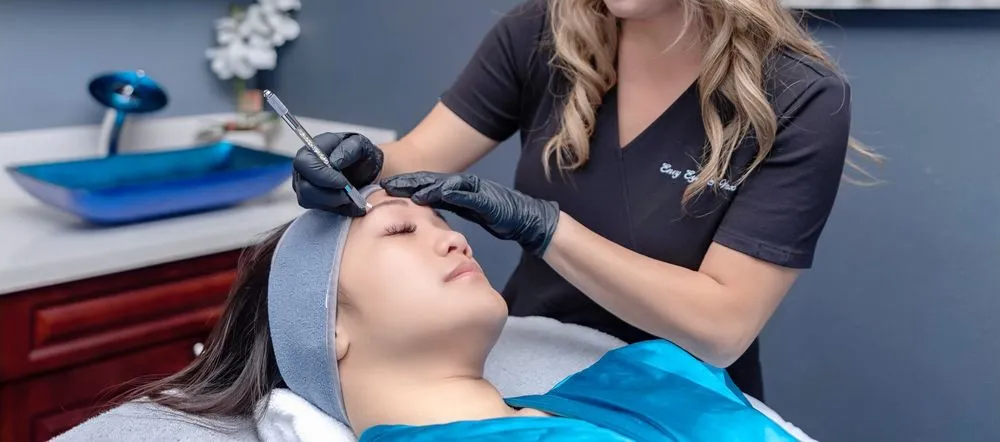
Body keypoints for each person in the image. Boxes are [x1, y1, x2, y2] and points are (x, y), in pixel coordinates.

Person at [291, 0, 880, 400]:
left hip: (674, 408)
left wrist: (544, 228)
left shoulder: (798, 96)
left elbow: (722, 327)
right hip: (530, 379)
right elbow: (414, 159)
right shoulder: (543, 34)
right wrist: (361, 163)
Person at [118, 186, 805, 441]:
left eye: (441, 222)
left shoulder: (638, 373)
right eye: (399, 231)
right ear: (328, 326)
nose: (455, 238)